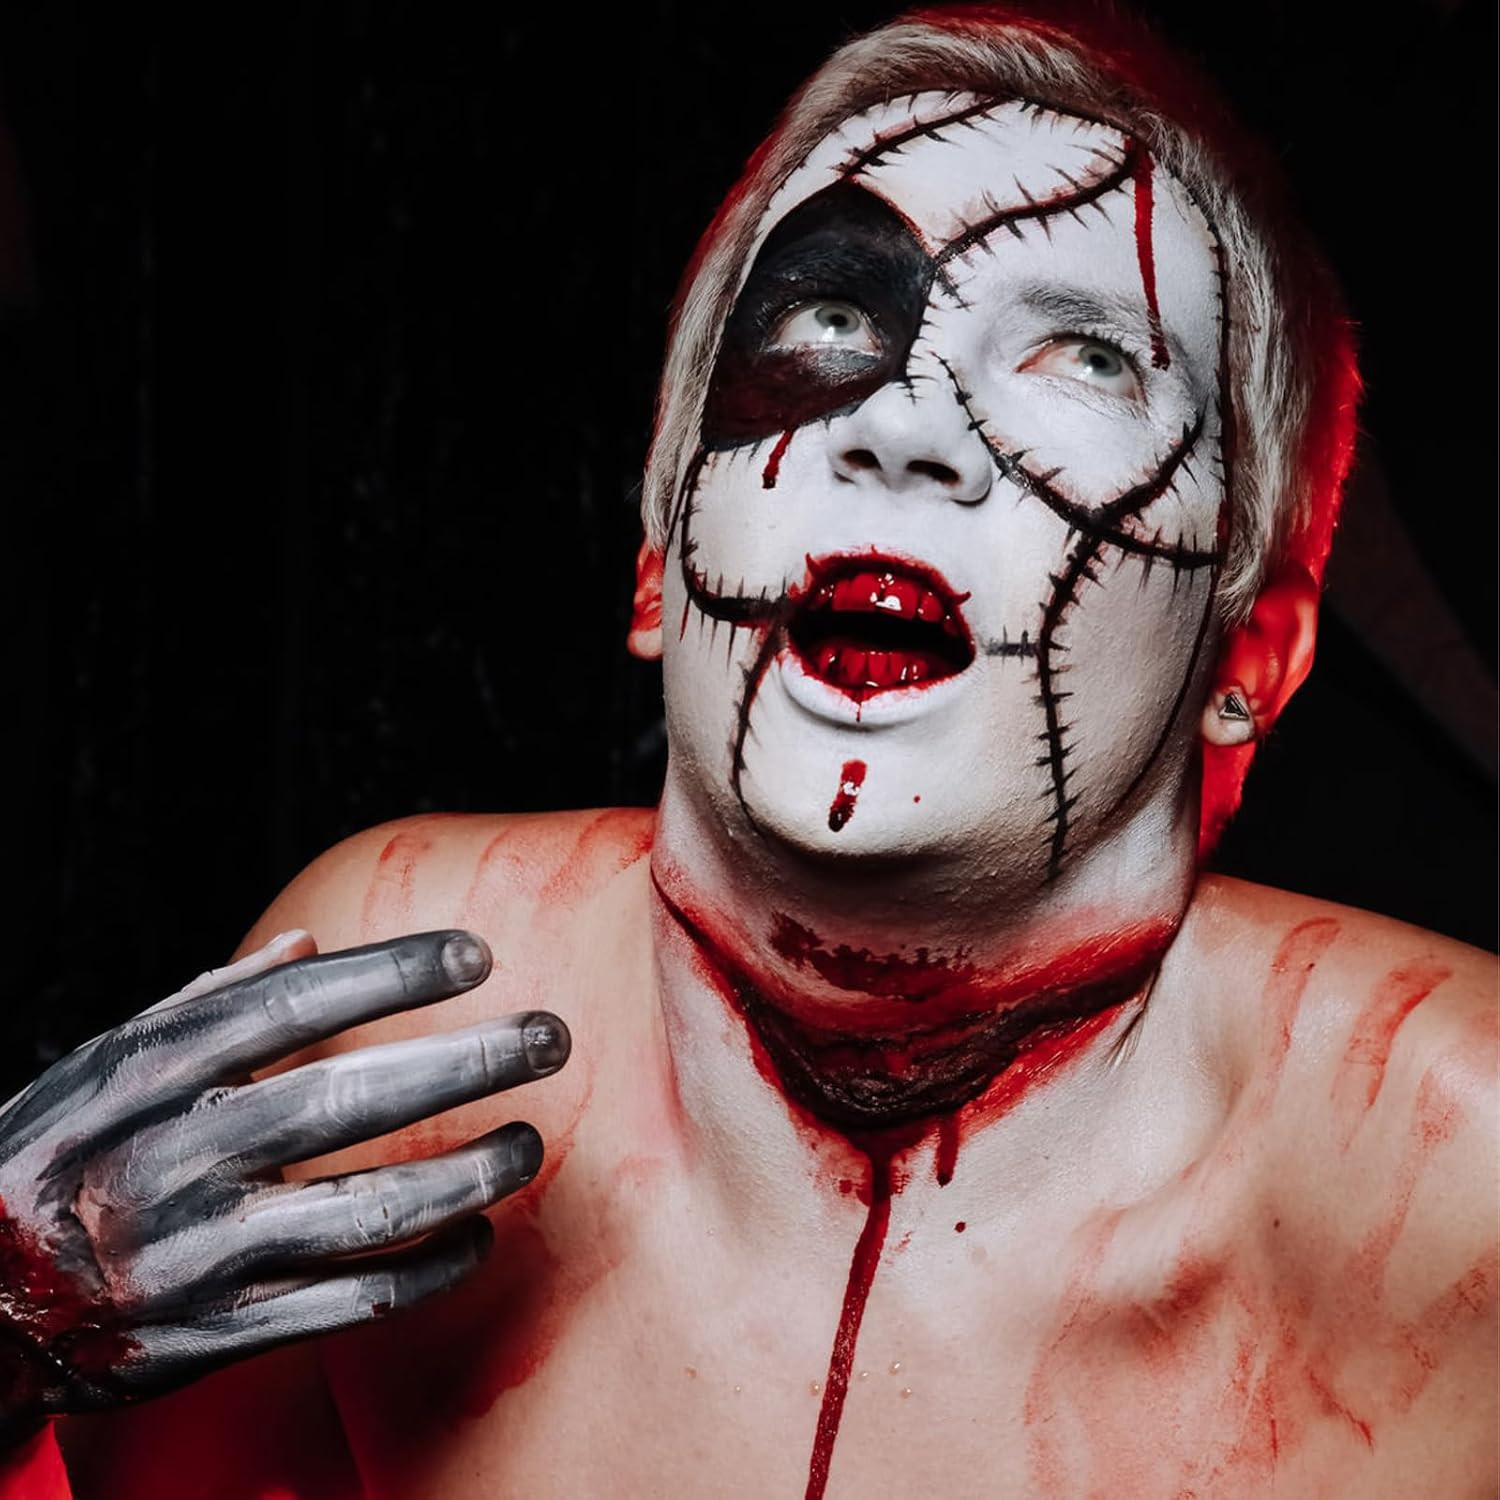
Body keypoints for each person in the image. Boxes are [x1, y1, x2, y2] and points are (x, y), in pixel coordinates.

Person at [3, 4, 1495, 1496]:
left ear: (1251, 657)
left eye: (1087, 357)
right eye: (828, 323)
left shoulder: (1447, 1173)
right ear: (662, 560)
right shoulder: (383, 1029)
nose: (903, 427)